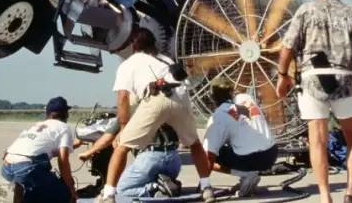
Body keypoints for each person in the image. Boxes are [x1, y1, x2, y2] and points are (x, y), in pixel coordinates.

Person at [276, 0, 352, 203]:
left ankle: (325, 196)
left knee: (318, 142)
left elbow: (287, 47)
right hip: (345, 79)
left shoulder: (305, 11)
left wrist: (282, 75)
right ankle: (351, 192)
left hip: (313, 79)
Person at [98, 29, 214, 203]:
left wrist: (123, 127)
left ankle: (108, 195)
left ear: (133, 45)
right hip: (180, 97)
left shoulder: (128, 64)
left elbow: (123, 97)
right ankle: (206, 188)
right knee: (195, 144)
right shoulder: (166, 60)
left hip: (156, 98)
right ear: (154, 43)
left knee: (122, 147)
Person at [203, 77, 278, 197]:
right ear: (231, 91)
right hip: (271, 154)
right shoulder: (246, 98)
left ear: (212, 97)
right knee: (239, 142)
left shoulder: (218, 117)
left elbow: (209, 155)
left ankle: (246, 175)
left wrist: (204, 184)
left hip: (250, 159)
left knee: (203, 154)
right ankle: (248, 177)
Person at [78, 116, 182, 199]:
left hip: (150, 159)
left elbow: (107, 139)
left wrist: (88, 153)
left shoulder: (129, 112)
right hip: (174, 159)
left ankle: (155, 188)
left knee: (122, 189)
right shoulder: (161, 110)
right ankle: (168, 183)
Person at [1, 96, 77, 203]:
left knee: (33, 189)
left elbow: (38, 149)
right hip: (26, 169)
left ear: (47, 113)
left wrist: (74, 145)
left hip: (7, 168)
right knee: (64, 193)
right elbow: (63, 160)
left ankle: (22, 192)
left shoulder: (37, 126)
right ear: (65, 113)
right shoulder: (63, 127)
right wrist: (70, 186)